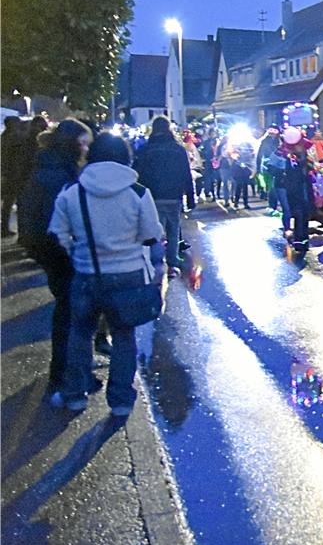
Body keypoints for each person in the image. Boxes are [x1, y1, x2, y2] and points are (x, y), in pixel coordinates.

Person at [49, 133, 164, 415]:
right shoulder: (138, 192)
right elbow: (151, 235)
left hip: (87, 273)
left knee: (80, 334)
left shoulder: (72, 191)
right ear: (126, 157)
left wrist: (79, 251)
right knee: (125, 337)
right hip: (129, 275)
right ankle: (121, 401)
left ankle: (75, 394)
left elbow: (58, 233)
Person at [17, 119, 94, 397]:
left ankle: (66, 373)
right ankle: (64, 376)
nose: (86, 148)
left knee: (67, 308)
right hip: (57, 247)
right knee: (71, 313)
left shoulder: (48, 164)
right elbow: (60, 218)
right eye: (83, 143)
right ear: (72, 143)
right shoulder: (61, 173)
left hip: (43, 245)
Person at [133, 116, 196, 277]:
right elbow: (186, 174)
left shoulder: (145, 150)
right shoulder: (178, 149)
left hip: (152, 196)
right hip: (173, 195)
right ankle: (172, 264)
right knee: (173, 229)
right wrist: (190, 197)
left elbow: (138, 175)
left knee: (156, 230)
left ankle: (156, 261)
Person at [276, 126, 314, 252]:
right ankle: (299, 241)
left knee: (305, 214)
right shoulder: (284, 155)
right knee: (298, 214)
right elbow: (275, 168)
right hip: (293, 189)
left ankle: (304, 241)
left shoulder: (303, 156)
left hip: (304, 188)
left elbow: (310, 168)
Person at [1, 117, 32, 236]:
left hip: (8, 174)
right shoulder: (16, 138)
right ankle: (21, 231)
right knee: (19, 203)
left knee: (8, 204)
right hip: (15, 175)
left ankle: (4, 228)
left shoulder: (4, 137)